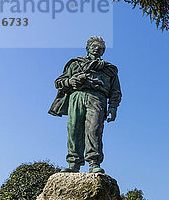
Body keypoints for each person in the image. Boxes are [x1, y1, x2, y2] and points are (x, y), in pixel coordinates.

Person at [49, 36, 122, 174]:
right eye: (94, 46)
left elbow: (115, 91)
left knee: (94, 130)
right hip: (76, 96)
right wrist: (71, 81)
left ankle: (94, 163)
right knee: (74, 129)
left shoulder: (109, 69)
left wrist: (113, 107)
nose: (97, 48)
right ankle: (73, 163)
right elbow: (59, 82)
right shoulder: (75, 64)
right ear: (87, 48)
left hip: (98, 98)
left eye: (101, 48)